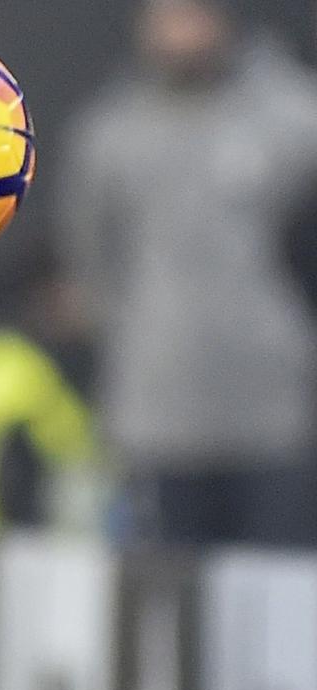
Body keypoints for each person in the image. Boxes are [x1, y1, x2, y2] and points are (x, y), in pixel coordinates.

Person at [60, 0, 317, 549]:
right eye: (163, 13)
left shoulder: (297, 120)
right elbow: (91, 259)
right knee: (166, 601)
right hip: (155, 416)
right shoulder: (111, 136)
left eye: (192, 13)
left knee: (276, 593)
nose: (178, 29)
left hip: (274, 413)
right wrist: (134, 337)